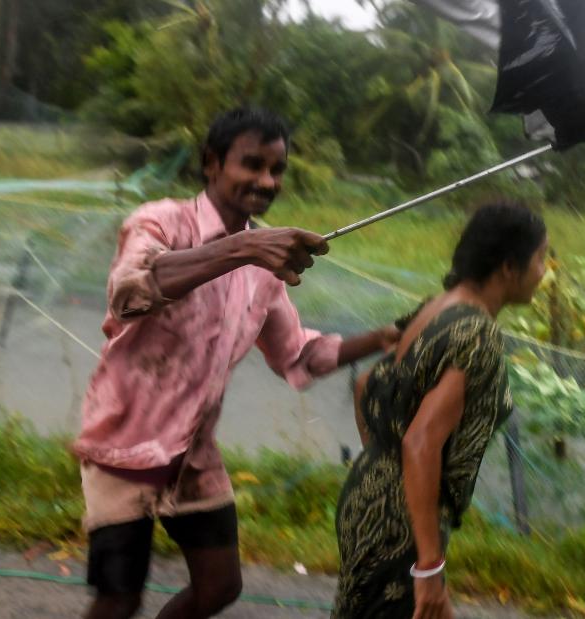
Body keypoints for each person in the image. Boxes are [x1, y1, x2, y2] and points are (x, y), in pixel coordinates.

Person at [74, 107, 399, 619]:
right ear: (211, 163)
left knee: (220, 585)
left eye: (276, 170)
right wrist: (244, 246)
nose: (266, 182)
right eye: (252, 165)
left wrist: (383, 336)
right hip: (125, 443)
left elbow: (299, 355)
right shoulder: (161, 221)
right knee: (119, 599)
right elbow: (128, 293)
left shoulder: (265, 266)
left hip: (193, 454)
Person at [334, 202, 549, 618]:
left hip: (367, 496)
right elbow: (420, 441)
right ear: (508, 266)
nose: (544, 271)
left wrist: (384, 463)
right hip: (401, 525)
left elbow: (365, 386)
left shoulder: (437, 307)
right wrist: (429, 568)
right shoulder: (478, 333)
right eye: (540, 258)